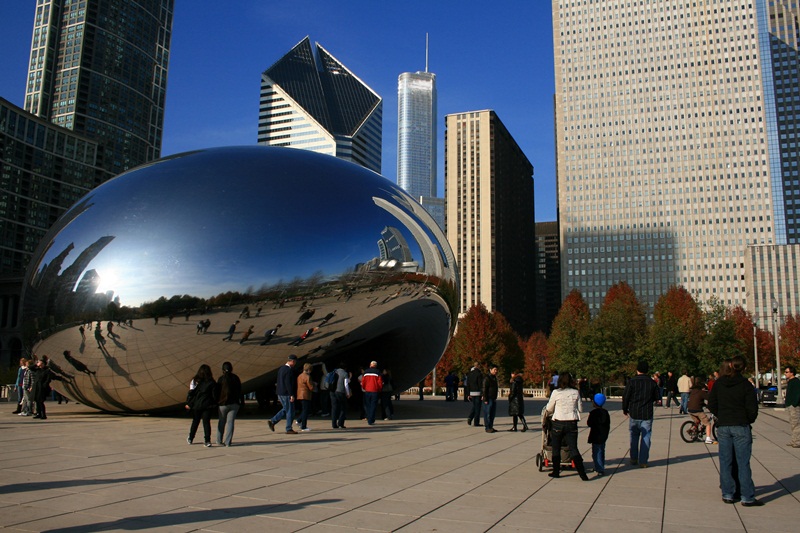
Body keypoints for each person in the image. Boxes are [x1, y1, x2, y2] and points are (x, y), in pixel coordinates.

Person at [708, 355, 762, 506]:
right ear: (743, 368)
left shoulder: (719, 384)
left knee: (726, 461)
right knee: (743, 462)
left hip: (724, 425)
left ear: (731, 365)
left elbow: (711, 403)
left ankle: (728, 493)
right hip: (740, 424)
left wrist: (721, 415)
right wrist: (747, 419)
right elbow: (752, 408)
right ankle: (747, 496)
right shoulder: (746, 385)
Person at [543, 372, 588, 480]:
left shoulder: (556, 392)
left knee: (556, 447)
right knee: (573, 448)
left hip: (558, 421)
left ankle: (556, 471)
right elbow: (580, 409)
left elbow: (549, 408)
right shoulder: (575, 392)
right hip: (571, 422)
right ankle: (582, 473)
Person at [622, 360, 660, 468]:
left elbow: (626, 397)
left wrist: (625, 409)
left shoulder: (632, 382)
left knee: (634, 436)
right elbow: (657, 398)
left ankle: (633, 458)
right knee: (646, 436)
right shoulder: (652, 383)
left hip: (634, 412)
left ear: (637, 370)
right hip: (647, 413)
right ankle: (643, 461)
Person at [185, 364, 217, 446]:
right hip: (207, 405)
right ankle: (207, 440)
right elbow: (214, 395)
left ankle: (191, 438)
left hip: (197, 404)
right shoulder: (212, 382)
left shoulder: (195, 381)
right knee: (206, 423)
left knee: (195, 422)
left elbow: (191, 393)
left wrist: (189, 403)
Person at [268, 354, 298, 434]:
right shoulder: (289, 370)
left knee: (286, 408)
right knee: (290, 411)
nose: (295, 364)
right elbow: (288, 383)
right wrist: (291, 394)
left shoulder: (281, 368)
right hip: (286, 393)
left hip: (280, 392)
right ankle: (289, 428)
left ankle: (273, 421)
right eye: (295, 362)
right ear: (292, 361)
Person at [216, 361, 242, 447]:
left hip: (223, 404)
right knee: (230, 423)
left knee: (221, 422)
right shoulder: (235, 378)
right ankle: (228, 442)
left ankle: (219, 440)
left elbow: (217, 391)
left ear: (223, 369)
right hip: (234, 403)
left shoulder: (221, 379)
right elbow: (239, 390)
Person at [587, 393, 610, 477]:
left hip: (595, 435)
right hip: (603, 435)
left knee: (596, 452)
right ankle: (600, 466)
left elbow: (589, 423)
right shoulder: (605, 412)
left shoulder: (593, 413)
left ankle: (599, 468)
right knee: (601, 451)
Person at [687, 376, 715, 444]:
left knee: (697, 421)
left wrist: (704, 405)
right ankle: (708, 439)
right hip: (697, 410)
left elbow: (698, 401)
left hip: (690, 409)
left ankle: (694, 432)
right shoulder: (701, 392)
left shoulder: (693, 391)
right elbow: (709, 398)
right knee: (707, 423)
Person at [330, 362, 351, 429]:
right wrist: (348, 393)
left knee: (334, 408)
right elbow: (346, 384)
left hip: (332, 391)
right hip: (340, 391)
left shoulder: (334, 371)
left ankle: (334, 424)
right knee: (343, 407)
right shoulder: (345, 373)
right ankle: (340, 423)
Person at [361, 361, 383, 425]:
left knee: (368, 405)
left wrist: (364, 388)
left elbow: (363, 381)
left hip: (367, 391)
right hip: (374, 391)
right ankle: (371, 419)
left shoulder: (365, 372)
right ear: (376, 365)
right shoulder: (378, 372)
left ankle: (369, 417)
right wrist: (379, 389)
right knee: (373, 405)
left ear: (370, 365)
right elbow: (380, 382)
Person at [296, 362, 314, 431]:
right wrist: (314, 385)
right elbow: (311, 387)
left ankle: (299, 420)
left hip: (300, 394)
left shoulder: (299, 376)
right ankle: (303, 426)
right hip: (306, 395)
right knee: (305, 411)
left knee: (304, 410)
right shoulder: (307, 377)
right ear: (309, 370)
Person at [786, 365, 800, 448]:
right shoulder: (790, 381)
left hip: (795, 407)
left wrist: (794, 403)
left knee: (796, 424)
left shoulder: (796, 382)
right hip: (790, 405)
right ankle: (793, 440)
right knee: (792, 424)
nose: (785, 373)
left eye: (787, 372)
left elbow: (798, 394)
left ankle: (797, 441)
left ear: (792, 373)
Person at [482, 366, 499, 433]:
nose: (496, 371)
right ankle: (487, 427)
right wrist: (485, 399)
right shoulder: (487, 378)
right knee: (487, 413)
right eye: (494, 370)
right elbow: (484, 389)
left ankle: (491, 426)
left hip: (493, 397)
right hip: (488, 398)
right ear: (490, 370)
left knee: (492, 414)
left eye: (496, 370)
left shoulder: (494, 378)